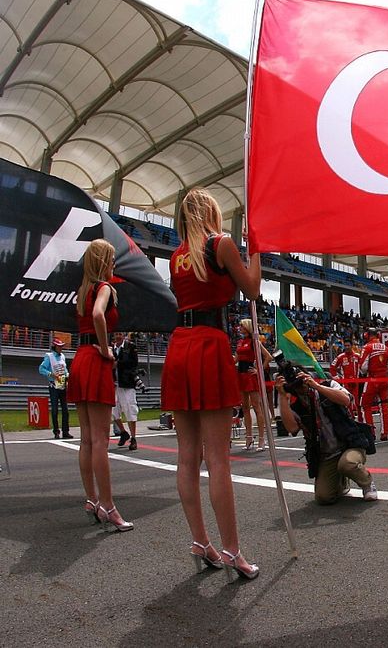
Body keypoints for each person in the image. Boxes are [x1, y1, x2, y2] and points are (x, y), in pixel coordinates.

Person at [161, 188, 262, 581]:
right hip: (208, 343)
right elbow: (252, 288)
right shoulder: (220, 245)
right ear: (212, 213)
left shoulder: (176, 256)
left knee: (188, 456)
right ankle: (233, 549)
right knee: (218, 457)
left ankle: (201, 541)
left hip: (179, 346)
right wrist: (258, 250)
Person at [65, 239, 132, 532]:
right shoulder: (104, 288)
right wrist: (106, 349)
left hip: (79, 358)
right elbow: (97, 316)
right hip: (94, 358)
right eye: (112, 259)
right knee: (101, 442)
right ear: (104, 261)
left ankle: (92, 499)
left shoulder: (82, 291)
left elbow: (88, 316)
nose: (114, 263)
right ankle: (109, 505)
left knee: (86, 439)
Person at [276, 368, 378, 504]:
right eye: (296, 385)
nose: (301, 387)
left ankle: (367, 483)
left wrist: (317, 386)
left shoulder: (329, 385)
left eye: (301, 381)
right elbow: (292, 428)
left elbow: (346, 400)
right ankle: (342, 482)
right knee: (323, 497)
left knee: (347, 464)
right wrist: (283, 397)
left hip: (350, 444)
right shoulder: (296, 405)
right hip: (327, 454)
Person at [235, 318, 273, 452]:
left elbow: (268, 356)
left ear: (248, 328)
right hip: (241, 375)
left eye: (242, 326)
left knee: (257, 407)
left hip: (251, 376)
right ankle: (249, 438)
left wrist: (259, 370)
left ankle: (262, 439)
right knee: (244, 407)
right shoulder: (240, 342)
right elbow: (236, 359)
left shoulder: (254, 341)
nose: (240, 328)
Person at [358, 328, 388, 441]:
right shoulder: (386, 348)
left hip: (372, 379)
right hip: (384, 380)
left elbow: (363, 367)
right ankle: (385, 432)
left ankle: (370, 432)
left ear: (367, 335)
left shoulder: (367, 347)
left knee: (365, 405)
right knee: (384, 406)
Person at [112, 333, 140, 451]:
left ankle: (133, 437)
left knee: (130, 409)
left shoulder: (130, 346)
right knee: (113, 410)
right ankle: (123, 432)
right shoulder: (111, 348)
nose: (117, 336)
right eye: (116, 334)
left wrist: (118, 363)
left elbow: (134, 363)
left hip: (127, 383)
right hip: (114, 383)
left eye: (119, 334)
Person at [39, 338, 70, 439]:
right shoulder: (49, 356)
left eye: (61, 346)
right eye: (59, 346)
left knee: (65, 410)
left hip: (62, 384)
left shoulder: (63, 357)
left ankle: (66, 431)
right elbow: (41, 369)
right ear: (55, 347)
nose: (61, 348)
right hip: (53, 385)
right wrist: (50, 374)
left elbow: (65, 370)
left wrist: (68, 377)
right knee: (55, 409)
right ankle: (56, 432)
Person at [330, 341, 363, 415]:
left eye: (348, 345)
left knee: (358, 402)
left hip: (356, 383)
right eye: (345, 346)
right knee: (347, 401)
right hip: (346, 383)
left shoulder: (358, 356)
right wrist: (336, 378)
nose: (347, 347)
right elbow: (332, 367)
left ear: (352, 346)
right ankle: (350, 418)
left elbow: (363, 367)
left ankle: (361, 419)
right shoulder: (340, 357)